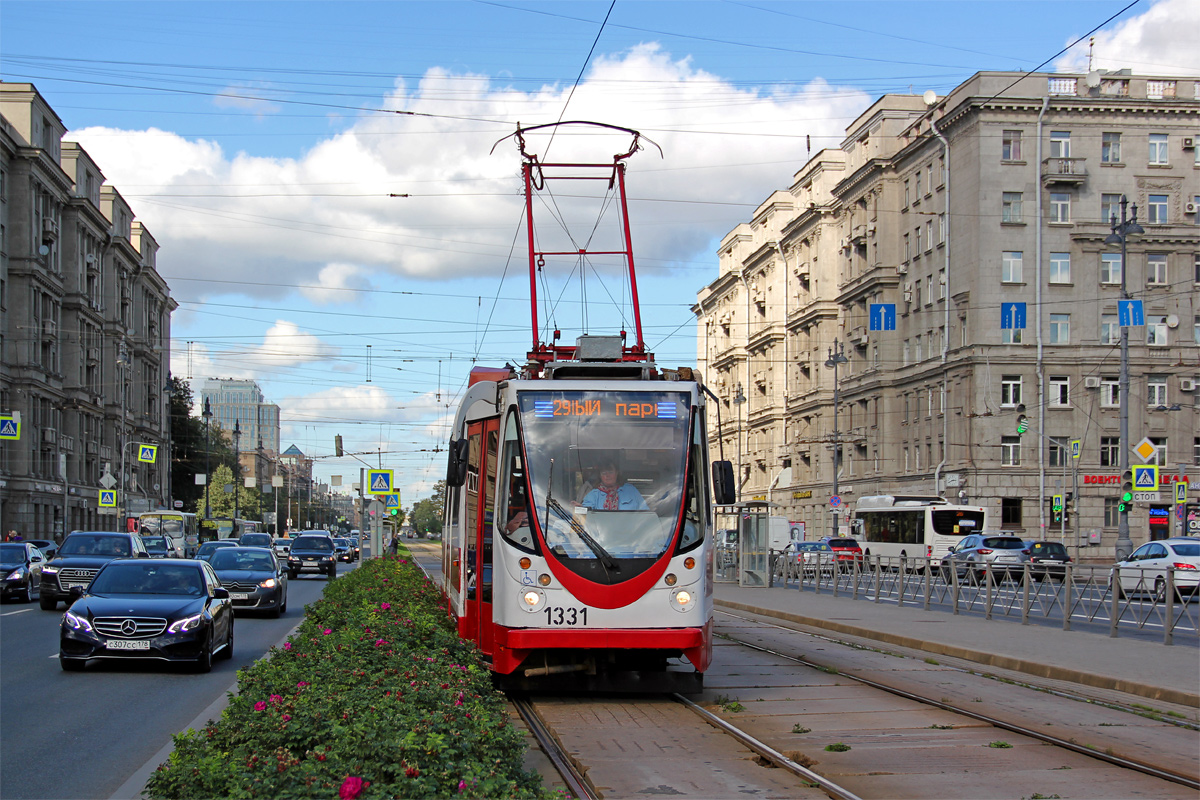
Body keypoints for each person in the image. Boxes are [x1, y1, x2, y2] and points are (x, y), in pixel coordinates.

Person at [579, 461, 649, 511]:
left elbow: (645, 513)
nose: (607, 475)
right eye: (604, 473)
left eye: (610, 472)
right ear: (600, 476)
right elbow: (585, 515)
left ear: (617, 473)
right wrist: (580, 509)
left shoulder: (631, 491)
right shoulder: (593, 495)